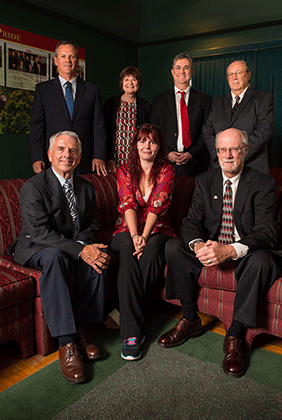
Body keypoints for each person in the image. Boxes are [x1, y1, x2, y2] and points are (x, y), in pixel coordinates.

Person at [158, 128, 282, 378]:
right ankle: (189, 319)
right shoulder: (204, 180)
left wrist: (229, 250)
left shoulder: (264, 184)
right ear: (216, 153)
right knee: (174, 246)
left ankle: (235, 334)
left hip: (245, 251)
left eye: (234, 149)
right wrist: (199, 245)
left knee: (262, 260)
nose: (228, 155)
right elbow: (191, 222)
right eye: (223, 149)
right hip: (210, 246)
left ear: (245, 151)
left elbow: (266, 232)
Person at [14, 131, 111, 384]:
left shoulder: (86, 187)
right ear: (49, 154)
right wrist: (79, 250)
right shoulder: (33, 187)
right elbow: (40, 232)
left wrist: (83, 247)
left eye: (72, 151)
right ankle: (67, 343)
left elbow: (92, 224)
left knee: (98, 255)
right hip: (36, 245)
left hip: (67, 244)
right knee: (57, 257)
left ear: (79, 158)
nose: (66, 155)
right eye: (61, 149)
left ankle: (81, 328)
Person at [110, 124, 175, 361]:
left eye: (152, 141)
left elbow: (158, 204)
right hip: (125, 229)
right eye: (142, 141)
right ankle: (133, 333)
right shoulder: (124, 170)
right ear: (135, 144)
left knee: (151, 254)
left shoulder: (167, 170)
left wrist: (144, 238)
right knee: (127, 252)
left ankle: (125, 320)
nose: (147, 146)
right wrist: (135, 236)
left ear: (159, 146)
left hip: (157, 229)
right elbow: (127, 203)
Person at [30, 40, 107, 176]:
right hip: (54, 159)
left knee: (83, 195)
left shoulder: (91, 90)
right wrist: (37, 157)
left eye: (72, 56)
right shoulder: (43, 90)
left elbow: (98, 126)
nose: (68, 61)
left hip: (84, 160)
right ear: (56, 61)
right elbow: (37, 127)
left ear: (77, 61)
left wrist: (99, 155)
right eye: (63, 56)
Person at [201, 60, 274, 174]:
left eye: (239, 72)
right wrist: (221, 154)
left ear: (248, 75)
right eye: (231, 74)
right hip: (220, 167)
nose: (234, 77)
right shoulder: (217, 102)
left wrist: (238, 155)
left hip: (252, 166)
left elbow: (265, 131)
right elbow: (207, 130)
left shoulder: (263, 99)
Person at [150, 53, 211, 177]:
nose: (182, 71)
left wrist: (192, 154)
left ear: (191, 72)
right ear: (172, 72)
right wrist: (167, 153)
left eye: (186, 68)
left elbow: (208, 131)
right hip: (166, 164)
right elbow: (154, 131)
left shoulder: (204, 99)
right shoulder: (159, 100)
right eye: (178, 67)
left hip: (196, 164)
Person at [104, 66, 151, 172]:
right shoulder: (110, 103)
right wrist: (108, 157)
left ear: (138, 83)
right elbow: (104, 132)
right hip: (114, 159)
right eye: (127, 80)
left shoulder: (146, 106)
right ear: (121, 82)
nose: (130, 83)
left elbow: (148, 136)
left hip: (137, 160)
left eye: (134, 80)